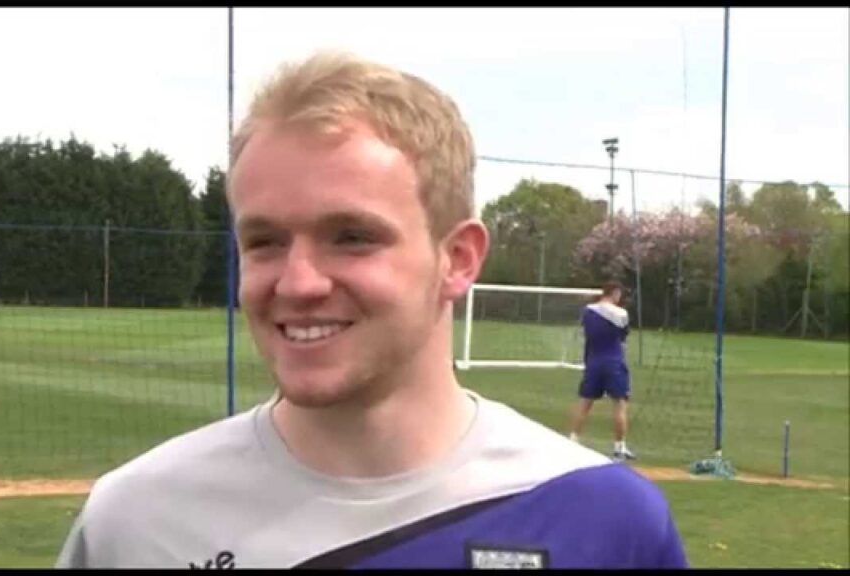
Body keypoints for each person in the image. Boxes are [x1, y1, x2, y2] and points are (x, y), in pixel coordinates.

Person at [55, 51, 687, 569]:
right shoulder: (134, 524)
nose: (298, 282)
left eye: (352, 236)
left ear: (459, 259)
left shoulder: (605, 522)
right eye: (265, 241)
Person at [568, 280, 636, 461]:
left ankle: (573, 440)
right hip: (613, 361)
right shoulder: (621, 313)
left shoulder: (588, 311)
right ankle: (619, 447)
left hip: (593, 362)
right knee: (620, 405)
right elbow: (623, 337)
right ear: (614, 293)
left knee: (584, 404)